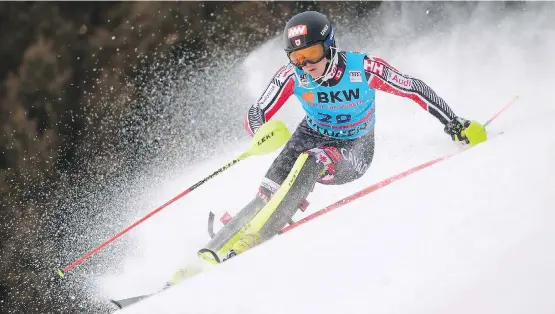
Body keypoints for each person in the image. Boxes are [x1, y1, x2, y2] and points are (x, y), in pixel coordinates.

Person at [168, 10, 486, 286]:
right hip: (309, 134)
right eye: (296, 58)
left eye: (312, 53)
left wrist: (454, 125)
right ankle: (209, 253)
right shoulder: (292, 77)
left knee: (314, 158)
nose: (306, 65)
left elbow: (413, 88)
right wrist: (260, 133)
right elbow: (257, 112)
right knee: (266, 191)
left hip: (355, 149)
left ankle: (258, 235)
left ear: (330, 45)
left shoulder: (364, 69)